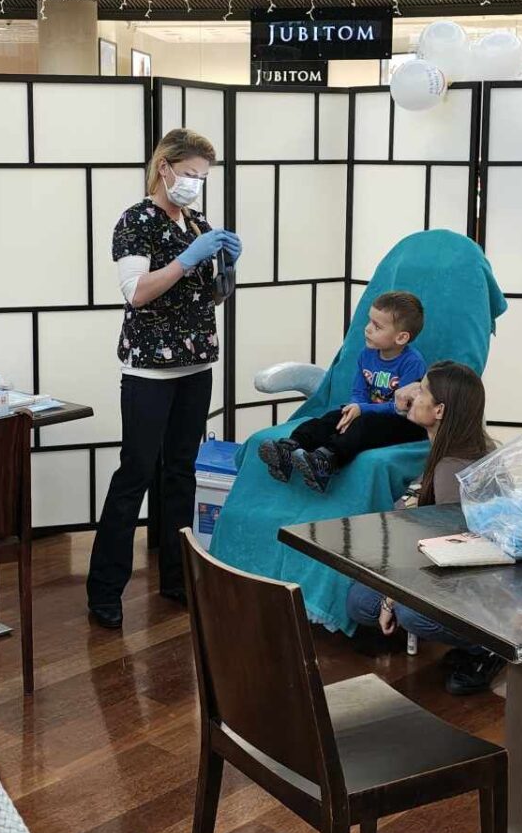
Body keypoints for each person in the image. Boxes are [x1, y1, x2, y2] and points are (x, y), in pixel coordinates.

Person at [86, 129, 240, 631]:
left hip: (196, 366)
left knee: (181, 473)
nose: (195, 184)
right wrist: (187, 258)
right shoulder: (136, 221)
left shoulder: (197, 222)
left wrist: (226, 268)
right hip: (149, 369)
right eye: (190, 174)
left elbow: (206, 298)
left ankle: (177, 579)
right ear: (164, 168)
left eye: (203, 177)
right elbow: (137, 292)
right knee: (135, 472)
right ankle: (104, 590)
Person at [341, 360, 505, 695]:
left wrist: (392, 597)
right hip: (440, 565)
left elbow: (452, 555)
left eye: (422, 390)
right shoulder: (454, 443)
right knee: (360, 599)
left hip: (468, 581)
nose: (413, 394)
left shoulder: (451, 470)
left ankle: (488, 646)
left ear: (440, 410)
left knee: (409, 613)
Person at [258, 291, 429, 492]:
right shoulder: (366, 355)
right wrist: (353, 407)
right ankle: (289, 448)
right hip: (368, 413)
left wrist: (361, 410)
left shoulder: (412, 363)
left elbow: (400, 407)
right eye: (369, 321)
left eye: (377, 326)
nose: (367, 328)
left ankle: (327, 462)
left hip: (401, 422)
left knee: (362, 425)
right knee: (331, 418)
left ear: (401, 337)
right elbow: (358, 391)